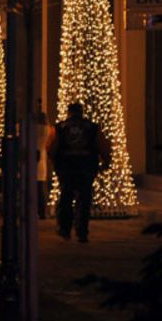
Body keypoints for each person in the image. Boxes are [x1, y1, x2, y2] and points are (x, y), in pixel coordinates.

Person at [48, 102, 110, 243]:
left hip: (66, 168)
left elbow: (51, 147)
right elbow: (103, 146)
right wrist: (106, 162)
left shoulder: (60, 128)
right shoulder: (92, 128)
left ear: (69, 112)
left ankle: (65, 229)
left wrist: (56, 163)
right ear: (81, 112)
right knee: (84, 199)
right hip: (86, 167)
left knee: (66, 198)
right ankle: (82, 232)